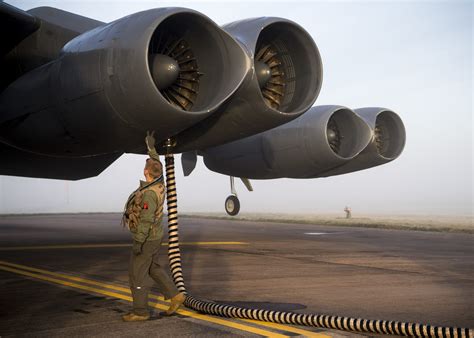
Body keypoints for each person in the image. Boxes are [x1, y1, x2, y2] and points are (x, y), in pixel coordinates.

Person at [121, 131, 185, 322]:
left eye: (146, 167)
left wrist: (138, 242)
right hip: (156, 236)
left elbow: (146, 220)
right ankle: (175, 295)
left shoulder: (149, 194)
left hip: (147, 238)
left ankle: (140, 311)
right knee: (153, 268)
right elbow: (156, 163)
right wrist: (151, 148)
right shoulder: (159, 181)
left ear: (145, 172)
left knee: (137, 274)